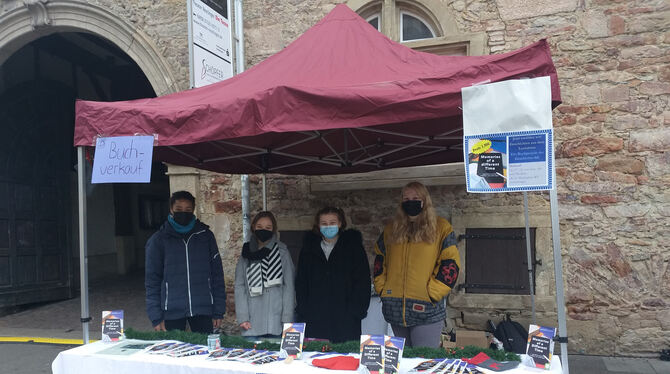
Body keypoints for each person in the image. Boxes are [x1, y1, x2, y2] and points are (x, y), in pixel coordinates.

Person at [373, 182, 460, 348]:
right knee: (402, 360)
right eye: (406, 198)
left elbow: (451, 264)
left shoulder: (441, 228)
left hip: (426, 308)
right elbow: (379, 259)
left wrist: (432, 293)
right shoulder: (391, 229)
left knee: (423, 362)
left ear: (424, 200)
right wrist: (383, 289)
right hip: (395, 308)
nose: (410, 201)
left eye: (415, 198)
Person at [145, 190, 226, 334]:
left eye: (188, 210)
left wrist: (218, 310)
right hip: (171, 310)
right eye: (179, 209)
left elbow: (217, 275)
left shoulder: (205, 236)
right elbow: (152, 280)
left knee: (204, 352)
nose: (183, 213)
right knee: (173, 352)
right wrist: (156, 316)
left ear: (193, 209)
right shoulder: (159, 240)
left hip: (203, 307)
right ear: (171, 209)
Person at [295, 207, 371, 343]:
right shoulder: (308, 249)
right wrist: (304, 310)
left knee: (345, 358)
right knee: (315, 359)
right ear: (318, 225)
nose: (328, 226)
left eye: (332, 222)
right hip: (315, 317)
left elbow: (362, 281)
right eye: (324, 223)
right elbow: (301, 282)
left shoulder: (353, 247)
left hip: (346, 318)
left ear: (340, 223)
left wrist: (356, 311)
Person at [235, 211, 295, 340]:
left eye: (268, 227)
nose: (263, 230)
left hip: (276, 321)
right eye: (259, 227)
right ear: (253, 228)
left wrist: (287, 318)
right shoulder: (246, 253)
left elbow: (289, 286)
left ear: (273, 230)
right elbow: (240, 286)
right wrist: (242, 317)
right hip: (251, 321)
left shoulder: (282, 251)